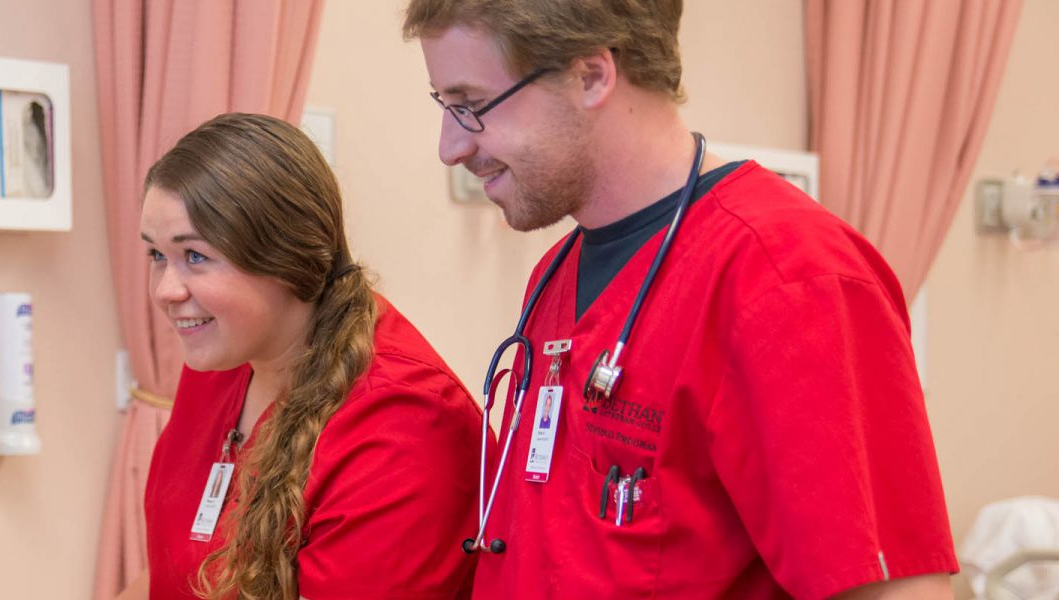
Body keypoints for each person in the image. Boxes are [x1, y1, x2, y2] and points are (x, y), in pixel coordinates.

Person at [404, 1, 955, 597]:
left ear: (591, 76)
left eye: (470, 106)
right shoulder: (556, 273)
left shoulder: (788, 278)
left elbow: (892, 589)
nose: (451, 147)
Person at [131, 113, 482, 600]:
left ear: (285, 257)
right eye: (156, 256)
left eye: (194, 256)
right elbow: (170, 574)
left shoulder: (404, 428)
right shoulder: (221, 362)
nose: (166, 291)